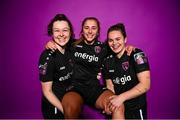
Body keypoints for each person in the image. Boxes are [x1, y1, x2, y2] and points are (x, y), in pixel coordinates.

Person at [46, 17, 125, 119]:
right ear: (82, 30)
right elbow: (60, 41)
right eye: (86, 28)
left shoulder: (104, 48)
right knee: (70, 109)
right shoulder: (72, 44)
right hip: (74, 88)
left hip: (94, 88)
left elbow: (117, 46)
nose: (90, 31)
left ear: (98, 31)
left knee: (117, 105)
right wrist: (50, 43)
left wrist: (128, 47)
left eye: (93, 28)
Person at [102, 23, 151, 119]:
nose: (114, 43)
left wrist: (121, 98)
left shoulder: (137, 55)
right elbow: (110, 86)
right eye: (111, 40)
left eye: (118, 39)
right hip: (118, 108)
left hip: (136, 108)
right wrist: (109, 103)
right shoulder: (107, 61)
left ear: (125, 39)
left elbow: (145, 84)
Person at [38, 14, 75, 119]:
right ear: (52, 33)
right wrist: (66, 112)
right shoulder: (46, 57)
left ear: (70, 32)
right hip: (55, 107)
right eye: (57, 30)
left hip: (70, 102)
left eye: (65, 30)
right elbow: (47, 91)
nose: (61, 34)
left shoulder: (72, 48)